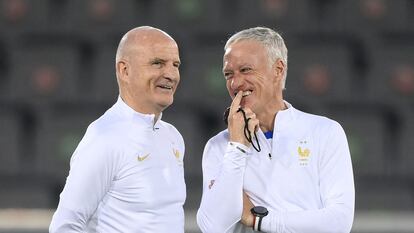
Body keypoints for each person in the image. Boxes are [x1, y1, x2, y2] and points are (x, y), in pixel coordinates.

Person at [197, 27, 355, 233]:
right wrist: (236, 147)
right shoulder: (219, 146)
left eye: (245, 70)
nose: (235, 83)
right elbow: (212, 226)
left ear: (278, 69)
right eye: (228, 74)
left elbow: (339, 222)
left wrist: (256, 219)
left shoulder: (325, 132)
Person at [49, 26, 186, 232]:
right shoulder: (105, 138)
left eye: (175, 65)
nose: (170, 74)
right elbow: (65, 226)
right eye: (157, 63)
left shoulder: (173, 136)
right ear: (125, 70)